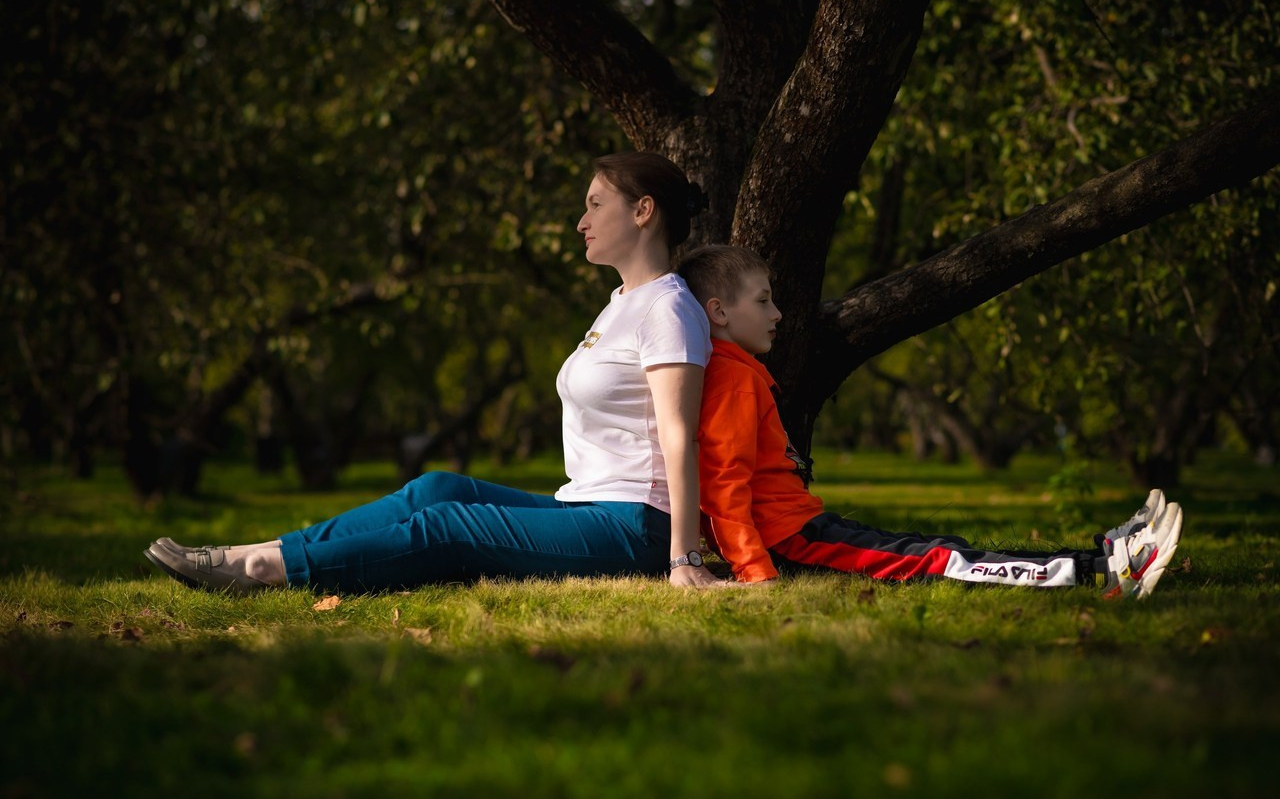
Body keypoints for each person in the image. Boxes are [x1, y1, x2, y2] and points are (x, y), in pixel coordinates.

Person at [145, 152, 731, 592]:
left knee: (452, 524)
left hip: (638, 526)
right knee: (436, 488)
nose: (581, 221)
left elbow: (681, 436)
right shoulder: (620, 303)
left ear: (644, 211)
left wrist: (683, 560)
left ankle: (262, 570)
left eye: (594, 204)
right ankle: (256, 548)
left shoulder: (667, 307)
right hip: (587, 505)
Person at [675, 244, 1183, 598]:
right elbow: (723, 482)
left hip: (803, 528)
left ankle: (1102, 557)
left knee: (940, 549)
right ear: (719, 312)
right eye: (763, 301)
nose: (778, 313)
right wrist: (753, 569)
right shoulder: (733, 378)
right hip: (790, 540)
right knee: (934, 559)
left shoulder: (740, 373)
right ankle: (1105, 571)